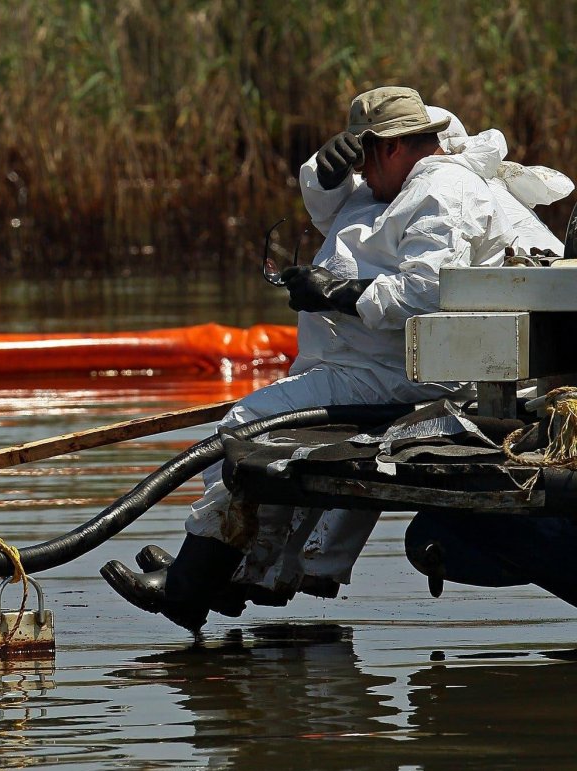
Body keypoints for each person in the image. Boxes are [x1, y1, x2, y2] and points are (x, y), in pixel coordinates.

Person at [101, 86, 533, 634]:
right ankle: (239, 574)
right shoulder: (403, 187)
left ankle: (191, 586)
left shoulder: (441, 192)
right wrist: (324, 174)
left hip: (398, 377)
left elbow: (428, 291)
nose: (360, 176)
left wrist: (340, 293)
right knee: (274, 445)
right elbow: (341, 210)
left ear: (388, 147)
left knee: (244, 430)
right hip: (372, 369)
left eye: (363, 159)